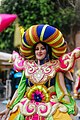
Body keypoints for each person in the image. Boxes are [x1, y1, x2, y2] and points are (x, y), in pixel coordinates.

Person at [0, 24, 80, 120]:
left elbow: (62, 92)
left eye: (42, 48)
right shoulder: (27, 66)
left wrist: (69, 111)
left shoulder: (56, 67)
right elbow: (20, 90)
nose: (39, 51)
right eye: (37, 49)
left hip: (50, 109)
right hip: (26, 108)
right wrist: (8, 109)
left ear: (47, 51)